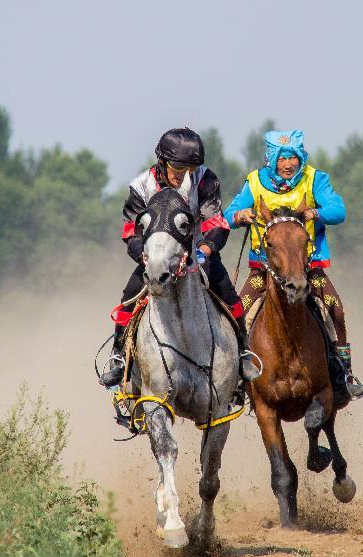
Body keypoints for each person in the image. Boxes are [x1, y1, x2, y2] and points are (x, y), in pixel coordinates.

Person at [99, 127, 260, 391]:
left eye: (190, 169)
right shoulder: (142, 187)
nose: (184, 175)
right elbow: (131, 232)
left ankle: (243, 352)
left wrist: (202, 252)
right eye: (178, 167)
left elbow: (217, 225)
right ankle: (118, 357)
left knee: (230, 295)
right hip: (156, 256)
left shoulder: (205, 180)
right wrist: (147, 257)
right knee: (129, 294)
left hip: (197, 252)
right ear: (162, 161)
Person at [223, 130, 363, 399]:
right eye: (282, 158)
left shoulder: (315, 179)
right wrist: (240, 214)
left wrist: (316, 211)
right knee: (236, 313)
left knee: (335, 309)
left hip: (308, 270)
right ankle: (235, 379)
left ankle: (344, 373)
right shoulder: (254, 182)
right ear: (271, 159)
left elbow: (339, 210)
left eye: (293, 158)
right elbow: (228, 216)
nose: (288, 164)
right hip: (263, 272)